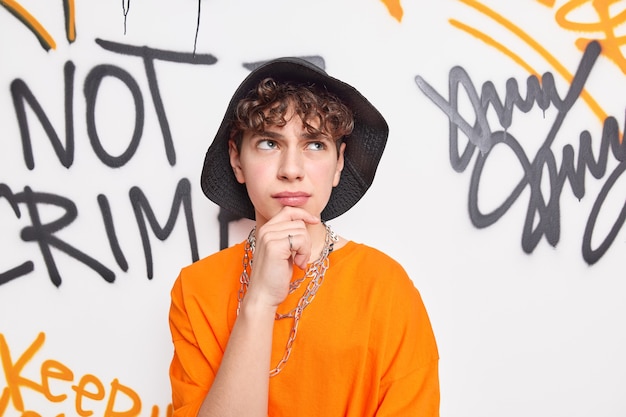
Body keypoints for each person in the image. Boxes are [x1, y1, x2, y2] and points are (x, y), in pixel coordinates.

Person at [168, 57, 439, 417]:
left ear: (339, 162)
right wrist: (260, 301)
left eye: (314, 145)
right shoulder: (197, 290)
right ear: (237, 159)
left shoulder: (385, 287)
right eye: (268, 143)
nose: (291, 170)